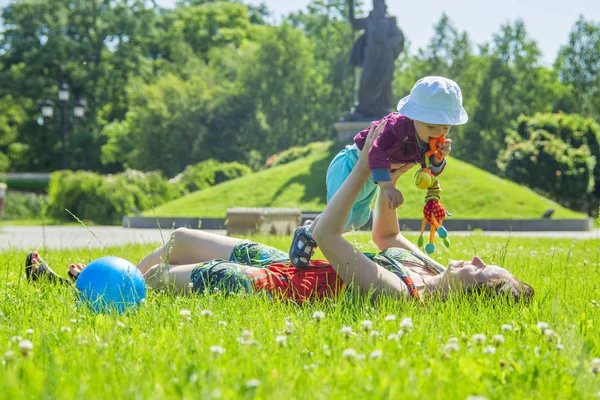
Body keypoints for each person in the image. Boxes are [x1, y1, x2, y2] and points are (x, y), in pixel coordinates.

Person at [25, 123, 532, 304]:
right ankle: (98, 281)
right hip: (290, 261)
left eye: (485, 270)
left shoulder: (399, 295)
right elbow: (385, 237)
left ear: (473, 296)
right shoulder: (433, 273)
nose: (479, 258)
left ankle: (71, 289)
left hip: (274, 284)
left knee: (159, 280)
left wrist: (363, 163)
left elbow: (330, 235)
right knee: (178, 236)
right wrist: (392, 174)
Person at [289, 76, 468, 269]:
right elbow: (375, 152)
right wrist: (387, 186)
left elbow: (428, 168)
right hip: (350, 165)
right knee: (341, 216)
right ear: (413, 115)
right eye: (432, 126)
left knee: (357, 220)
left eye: (446, 127)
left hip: (372, 176)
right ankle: (308, 234)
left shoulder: (427, 138)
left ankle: (312, 227)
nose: (438, 132)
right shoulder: (395, 127)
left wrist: (438, 158)